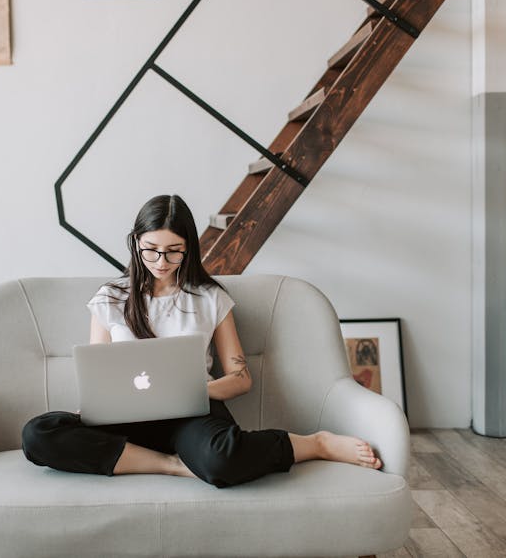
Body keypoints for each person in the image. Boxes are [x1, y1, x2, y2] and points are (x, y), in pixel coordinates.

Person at [22, 194, 382, 487]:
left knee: (222, 459)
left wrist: (192, 391)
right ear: (135, 243)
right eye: (150, 249)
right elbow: (98, 373)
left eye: (173, 250)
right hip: (125, 419)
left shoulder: (210, 298)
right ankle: (171, 466)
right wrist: (99, 405)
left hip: (193, 412)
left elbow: (241, 378)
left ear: (188, 248)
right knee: (39, 434)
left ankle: (315, 443)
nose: (161, 261)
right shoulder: (110, 298)